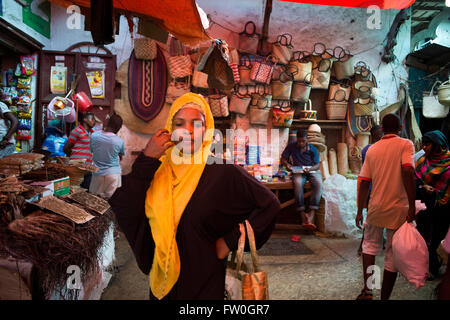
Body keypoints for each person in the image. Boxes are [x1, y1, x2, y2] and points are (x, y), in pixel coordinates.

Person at [109, 93, 280, 300]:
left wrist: (229, 241)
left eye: (196, 124)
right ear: (171, 129)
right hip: (163, 286)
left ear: (207, 129)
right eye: (179, 123)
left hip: (204, 285)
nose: (188, 131)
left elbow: (269, 204)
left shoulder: (221, 171)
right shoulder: (158, 170)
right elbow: (125, 206)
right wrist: (146, 159)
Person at [356, 113, 416, 300]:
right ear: (400, 128)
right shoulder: (406, 144)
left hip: (376, 207)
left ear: (382, 129)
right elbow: (407, 170)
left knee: (370, 247)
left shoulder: (372, 150)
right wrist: (412, 205)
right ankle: (384, 297)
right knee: (391, 253)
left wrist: (360, 210)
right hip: (398, 209)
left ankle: (368, 291)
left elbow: (364, 181)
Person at [415, 130, 450, 280]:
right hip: (426, 207)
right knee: (425, 238)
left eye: (427, 144)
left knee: (439, 238)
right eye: (423, 144)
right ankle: (431, 267)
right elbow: (414, 182)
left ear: (437, 146)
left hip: (445, 208)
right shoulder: (422, 161)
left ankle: (437, 264)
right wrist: (423, 187)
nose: (424, 147)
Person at [281, 129, 322, 230]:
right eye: (299, 141)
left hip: (311, 170)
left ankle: (312, 212)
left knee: (319, 184)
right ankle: (302, 213)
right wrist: (287, 165)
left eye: (303, 141)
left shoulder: (313, 149)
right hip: (297, 170)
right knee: (298, 184)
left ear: (307, 140)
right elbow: (283, 158)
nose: (301, 143)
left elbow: (317, 165)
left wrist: (310, 169)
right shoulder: (292, 146)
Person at [357, 125, 383, 255]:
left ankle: (369, 243)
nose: (380, 137)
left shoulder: (373, 149)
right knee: (370, 218)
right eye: (378, 135)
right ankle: (363, 245)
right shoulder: (368, 150)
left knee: (373, 218)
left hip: (377, 187)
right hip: (372, 188)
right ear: (373, 135)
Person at [89, 114, 125, 199]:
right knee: (111, 202)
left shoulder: (94, 136)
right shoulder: (119, 141)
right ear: (119, 127)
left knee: (94, 201)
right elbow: (120, 156)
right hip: (113, 174)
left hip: (97, 174)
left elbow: (92, 150)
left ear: (108, 123)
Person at [63, 112, 96, 189]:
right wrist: (75, 159)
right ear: (85, 119)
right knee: (74, 189)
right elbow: (66, 148)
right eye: (92, 119)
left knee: (87, 191)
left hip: (88, 167)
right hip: (76, 167)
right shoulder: (76, 131)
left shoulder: (93, 134)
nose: (94, 122)